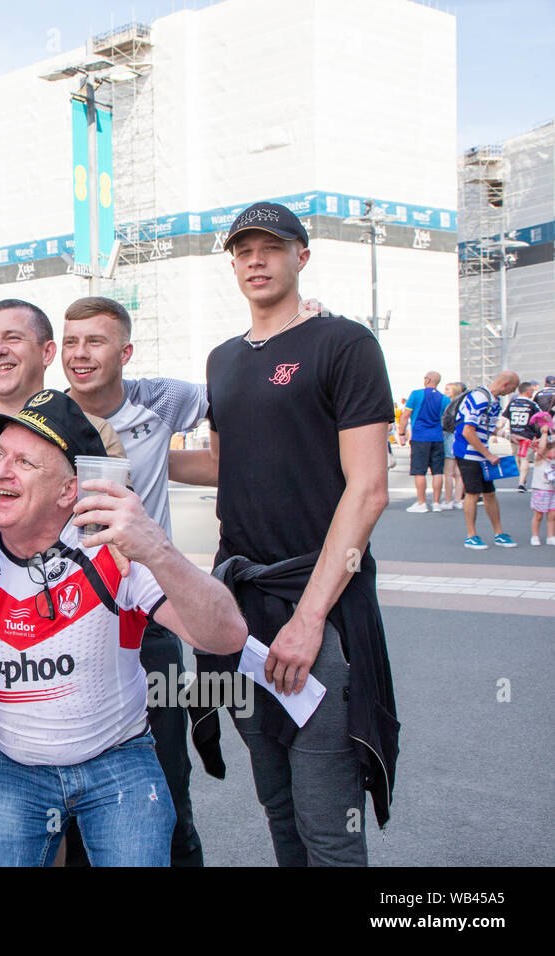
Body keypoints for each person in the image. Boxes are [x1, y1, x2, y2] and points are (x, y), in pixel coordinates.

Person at [181, 200, 397, 866]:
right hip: (242, 612)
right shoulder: (223, 360)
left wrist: (308, 619)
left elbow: (368, 490)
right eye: (242, 250)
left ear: (302, 256)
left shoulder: (344, 343)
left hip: (316, 610)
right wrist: (131, 458)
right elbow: (223, 463)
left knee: (330, 824)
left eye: (270, 247)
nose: (255, 259)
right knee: (277, 803)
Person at [0, 389, 247, 866]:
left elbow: (226, 635)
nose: (0, 471)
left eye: (25, 463)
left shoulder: (111, 548)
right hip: (13, 767)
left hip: (117, 761)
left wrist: (157, 549)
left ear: (69, 491)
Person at [0, 298, 126, 798]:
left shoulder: (92, 433)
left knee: (45, 813)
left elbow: (110, 543)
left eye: (12, 338)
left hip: (56, 655)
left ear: (47, 352)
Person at [58, 294, 211, 867]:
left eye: (95, 341)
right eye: (71, 342)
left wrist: (300, 324)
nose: (81, 354)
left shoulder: (161, 399)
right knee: (72, 793)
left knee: (167, 786)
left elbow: (240, 392)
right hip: (69, 623)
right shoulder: (45, 413)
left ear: (125, 351)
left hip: (147, 622)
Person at [454, 370, 520, 550]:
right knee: (473, 493)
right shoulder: (480, 398)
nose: (511, 393)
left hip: (480, 453)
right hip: (468, 453)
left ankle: (499, 533)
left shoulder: (493, 400)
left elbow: (486, 426)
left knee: (489, 493)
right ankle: (471, 535)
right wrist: (488, 455)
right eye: (512, 389)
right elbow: (468, 431)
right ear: (505, 384)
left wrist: (508, 436)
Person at [398, 371, 448, 511]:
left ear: (427, 380)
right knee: (437, 471)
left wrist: (402, 432)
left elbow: (406, 414)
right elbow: (446, 418)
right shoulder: (444, 398)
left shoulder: (416, 394)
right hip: (437, 437)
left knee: (420, 471)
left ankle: (421, 503)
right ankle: (436, 503)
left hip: (420, 437)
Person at [503, 382, 541, 492]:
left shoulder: (512, 403)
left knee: (517, 458)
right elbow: (541, 417)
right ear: (528, 391)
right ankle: (521, 482)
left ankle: (521, 478)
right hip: (527, 435)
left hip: (514, 434)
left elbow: (504, 418)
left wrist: (502, 431)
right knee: (525, 459)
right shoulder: (532, 404)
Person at [526, 413, 554, 545]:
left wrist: (549, 425)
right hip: (541, 489)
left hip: (552, 490)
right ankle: (535, 536)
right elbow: (542, 448)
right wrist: (544, 433)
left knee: (552, 515)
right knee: (538, 515)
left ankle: (550, 536)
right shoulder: (540, 458)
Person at [440, 382, 467, 509]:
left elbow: (446, 422)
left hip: (450, 436)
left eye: (448, 389)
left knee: (449, 472)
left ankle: (448, 500)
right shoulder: (465, 403)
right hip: (462, 437)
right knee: (459, 472)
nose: (446, 391)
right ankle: (458, 499)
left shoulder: (451, 405)